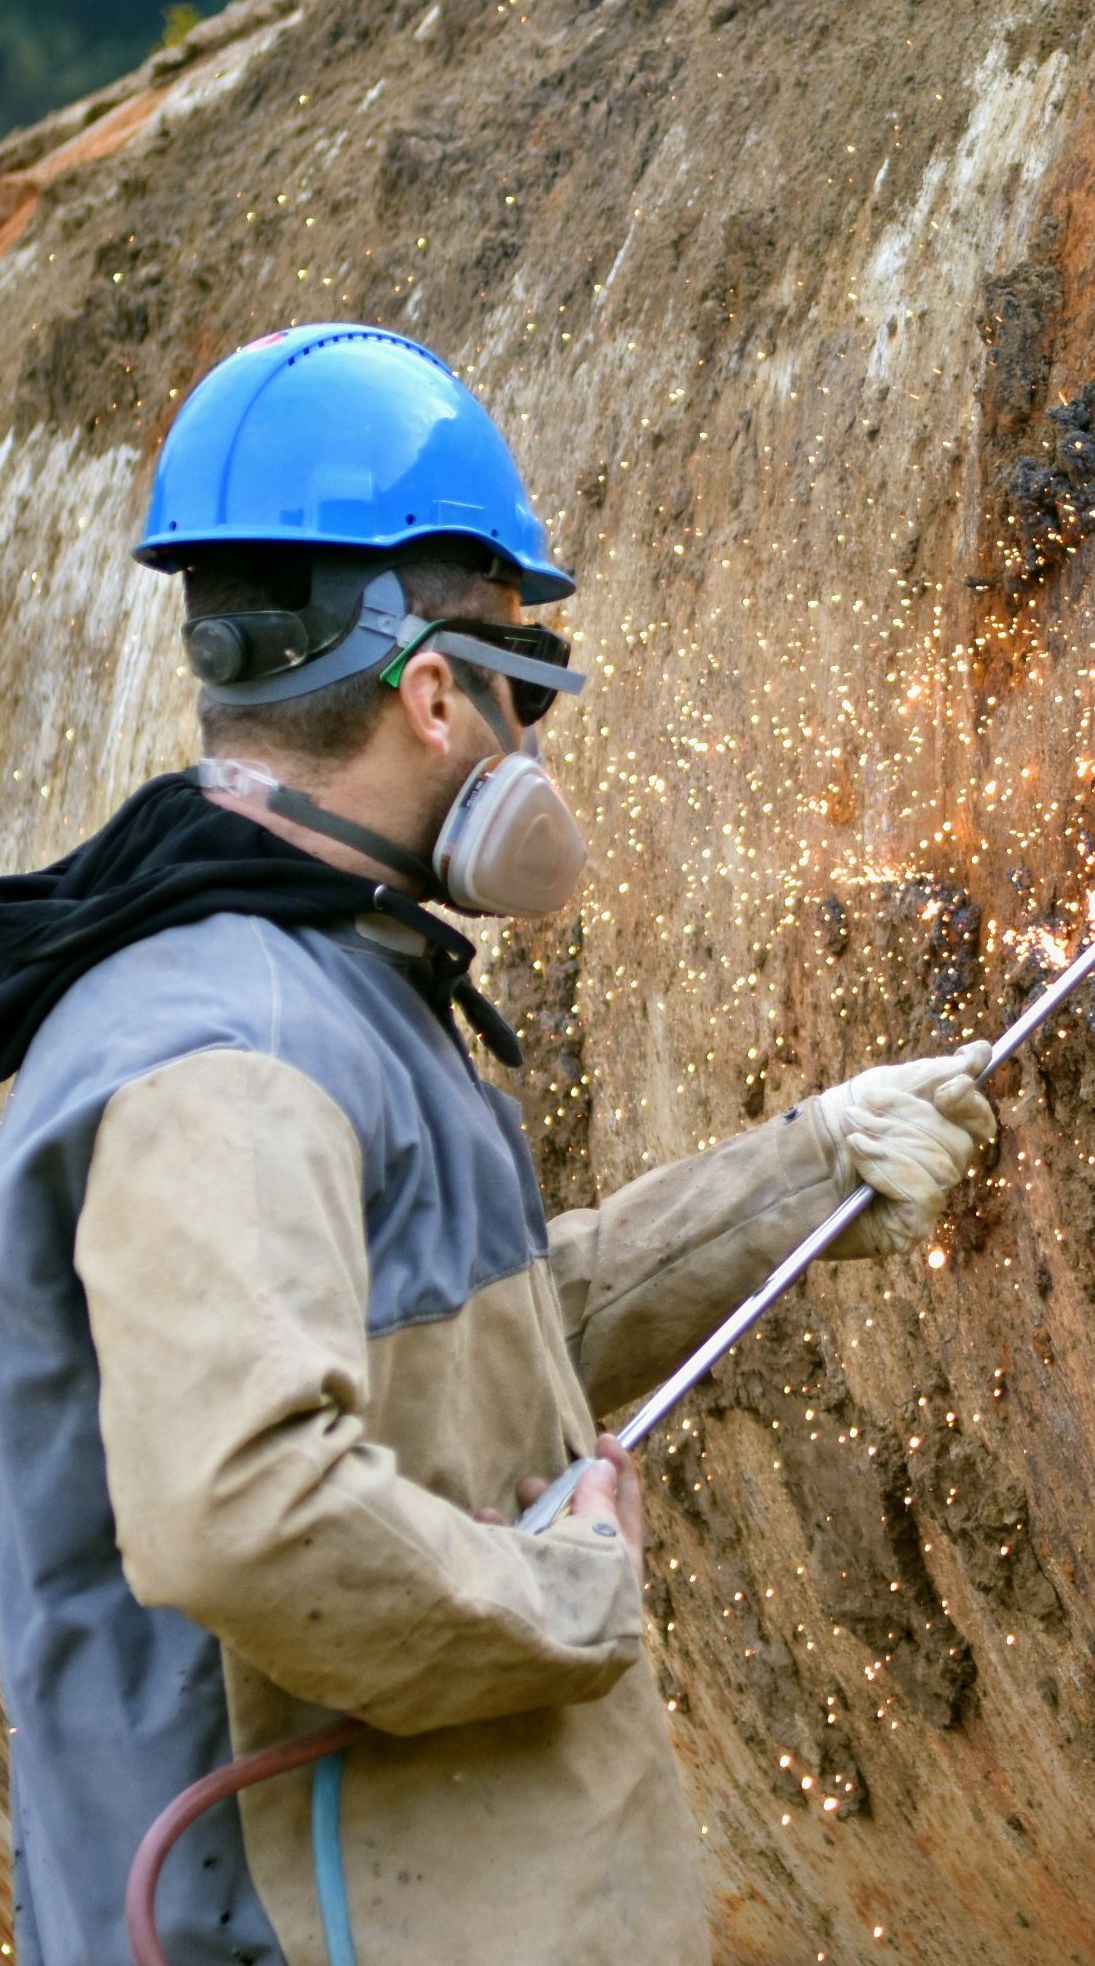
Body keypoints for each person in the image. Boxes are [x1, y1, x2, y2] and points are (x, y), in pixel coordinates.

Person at [0, 324, 997, 1966]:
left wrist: (811, 1169)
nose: (534, 754)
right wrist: (570, 1600)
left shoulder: (333, 992)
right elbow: (237, 1507)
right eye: (525, 698)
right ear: (440, 694)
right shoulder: (234, 1049)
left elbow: (476, 1352)